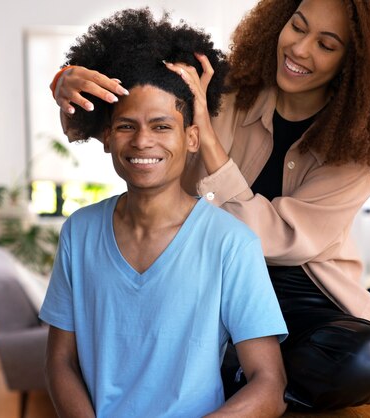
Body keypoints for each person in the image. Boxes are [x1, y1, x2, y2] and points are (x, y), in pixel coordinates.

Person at [52, 0, 370, 411]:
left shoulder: (358, 147)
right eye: (297, 26)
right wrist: (65, 81)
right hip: (205, 273)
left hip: (302, 289)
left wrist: (211, 144)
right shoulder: (225, 87)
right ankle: (244, 377)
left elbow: (280, 238)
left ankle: (246, 379)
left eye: (326, 45)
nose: (300, 49)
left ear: (354, 62)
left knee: (367, 360)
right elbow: (128, 118)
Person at [39, 8, 289, 417]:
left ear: (192, 138)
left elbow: (269, 384)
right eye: (126, 126)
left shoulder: (232, 243)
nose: (142, 141)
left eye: (160, 126)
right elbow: (59, 361)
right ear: (106, 136)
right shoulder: (79, 233)